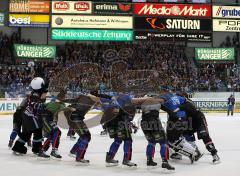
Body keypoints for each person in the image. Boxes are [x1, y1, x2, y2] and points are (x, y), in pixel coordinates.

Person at [12, 77, 49, 158]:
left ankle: (17, 147)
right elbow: (39, 104)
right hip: (32, 117)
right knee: (38, 132)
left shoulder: (33, 93)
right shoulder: (37, 95)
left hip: (26, 116)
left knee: (26, 134)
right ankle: (37, 149)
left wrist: (45, 89)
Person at [178, 93, 221, 164]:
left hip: (199, 121)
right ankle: (195, 152)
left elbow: (180, 116)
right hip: (190, 121)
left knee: (205, 136)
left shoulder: (184, 104)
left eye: (178, 97)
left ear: (183, 97)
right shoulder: (187, 102)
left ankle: (215, 155)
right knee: (186, 134)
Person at [63, 94, 101, 164]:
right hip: (74, 118)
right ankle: (79, 157)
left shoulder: (93, 101)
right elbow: (69, 102)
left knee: (87, 136)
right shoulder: (84, 98)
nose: (98, 99)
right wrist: (69, 108)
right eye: (97, 98)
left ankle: (74, 151)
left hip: (79, 119)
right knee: (85, 137)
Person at [139, 97, 175, 170]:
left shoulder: (143, 103)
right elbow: (168, 107)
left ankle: (149, 160)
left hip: (144, 123)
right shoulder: (157, 102)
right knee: (163, 142)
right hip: (154, 123)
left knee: (151, 142)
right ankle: (164, 162)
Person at [102, 94, 137, 167]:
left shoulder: (113, 100)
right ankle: (126, 159)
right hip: (120, 123)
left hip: (111, 124)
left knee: (117, 140)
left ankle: (109, 157)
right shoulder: (127, 100)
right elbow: (127, 117)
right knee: (128, 140)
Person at [41, 91, 69, 159]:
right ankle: (54, 150)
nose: (66, 98)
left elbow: (43, 105)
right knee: (57, 132)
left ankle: (43, 150)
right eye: (65, 97)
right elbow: (64, 111)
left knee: (52, 134)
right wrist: (71, 109)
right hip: (48, 119)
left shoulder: (52, 101)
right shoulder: (61, 103)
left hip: (44, 118)